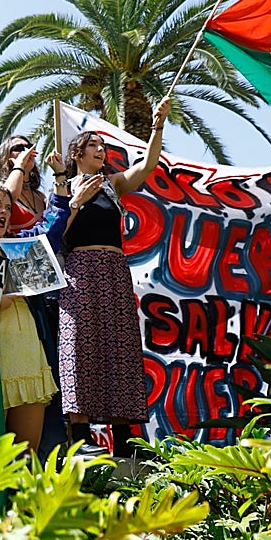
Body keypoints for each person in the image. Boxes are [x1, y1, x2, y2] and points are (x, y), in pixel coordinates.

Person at [58, 96, 173, 452]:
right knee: (79, 347)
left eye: (104, 147)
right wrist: (75, 202)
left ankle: (123, 438)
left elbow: (148, 164)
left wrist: (158, 124)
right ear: (77, 152)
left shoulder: (112, 184)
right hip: (80, 271)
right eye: (94, 145)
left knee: (118, 347)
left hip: (114, 271)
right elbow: (57, 234)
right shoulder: (63, 188)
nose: (101, 151)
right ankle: (82, 437)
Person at [0, 175, 77, 452]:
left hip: (27, 351)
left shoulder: (20, 246)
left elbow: (52, 229)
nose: (4, 211)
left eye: (7, 207)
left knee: (27, 454)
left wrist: (61, 188)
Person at [0, 135, 47, 232]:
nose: (27, 151)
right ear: (5, 156)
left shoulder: (40, 196)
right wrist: (19, 165)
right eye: (19, 148)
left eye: (29, 147)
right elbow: (8, 198)